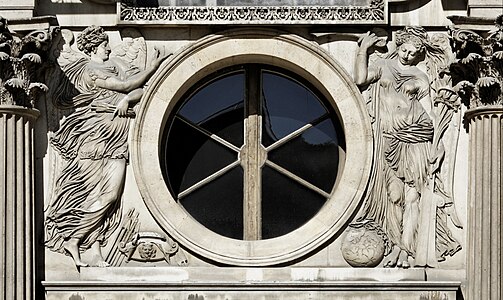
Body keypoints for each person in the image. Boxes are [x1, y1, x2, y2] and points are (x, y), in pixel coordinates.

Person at [44, 25, 168, 267]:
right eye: (103, 45)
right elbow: (124, 85)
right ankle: (77, 241)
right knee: (99, 192)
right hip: (98, 133)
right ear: (92, 47)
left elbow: (137, 90)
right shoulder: (91, 69)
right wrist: (152, 67)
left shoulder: (117, 66)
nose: (108, 48)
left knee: (110, 195)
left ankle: (93, 249)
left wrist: (126, 99)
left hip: (117, 133)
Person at [355, 27, 460, 268]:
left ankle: (406, 250)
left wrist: (439, 144)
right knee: (394, 196)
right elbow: (359, 79)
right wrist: (363, 50)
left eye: (413, 53)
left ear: (419, 54)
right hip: (389, 138)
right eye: (404, 50)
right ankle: (394, 243)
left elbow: (431, 113)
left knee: (413, 197)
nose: (407, 56)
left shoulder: (419, 77)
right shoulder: (382, 66)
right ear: (398, 45)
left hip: (417, 139)